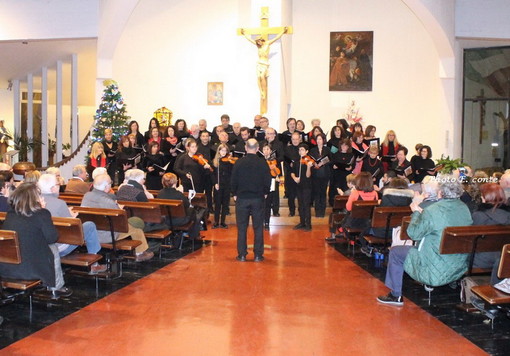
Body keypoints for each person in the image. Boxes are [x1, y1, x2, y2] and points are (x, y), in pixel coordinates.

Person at [377, 177, 472, 306]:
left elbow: (413, 234)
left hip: (434, 264)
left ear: (440, 193)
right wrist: (423, 213)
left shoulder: (433, 210)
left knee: (395, 252)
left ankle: (395, 295)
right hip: (458, 263)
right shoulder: (464, 208)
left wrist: (416, 212)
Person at [0, 183, 72, 299]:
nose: (42, 198)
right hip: (31, 270)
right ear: (34, 199)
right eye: (40, 196)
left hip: (7, 269)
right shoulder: (42, 214)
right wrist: (43, 211)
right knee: (52, 247)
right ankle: (56, 288)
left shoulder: (11, 214)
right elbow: (52, 238)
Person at [37, 174, 107, 274]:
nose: (59, 187)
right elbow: (70, 227)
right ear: (52, 188)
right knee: (90, 225)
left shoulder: (34, 201)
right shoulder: (59, 203)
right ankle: (94, 265)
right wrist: (73, 216)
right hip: (59, 246)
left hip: (40, 245)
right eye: (58, 184)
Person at [81, 174, 154, 262]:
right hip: (107, 235)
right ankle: (140, 253)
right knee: (135, 227)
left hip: (90, 233)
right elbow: (120, 223)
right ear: (106, 186)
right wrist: (120, 208)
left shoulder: (86, 196)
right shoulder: (108, 202)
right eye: (110, 183)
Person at [231, 138, 271, 262]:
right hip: (258, 199)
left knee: (242, 228)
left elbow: (233, 180)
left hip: (242, 199)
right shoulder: (262, 162)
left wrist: (234, 193)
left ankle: (242, 255)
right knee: (258, 228)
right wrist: (265, 192)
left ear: (246, 148)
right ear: (258, 149)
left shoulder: (239, 162)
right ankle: (258, 255)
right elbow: (267, 180)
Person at [240, 27, 288, 102]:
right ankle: (261, 92)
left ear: (261, 40)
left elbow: (276, 38)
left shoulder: (267, 44)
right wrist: (244, 33)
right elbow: (250, 40)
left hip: (265, 63)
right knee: (258, 77)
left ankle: (264, 92)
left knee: (262, 76)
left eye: (258, 41)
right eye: (257, 41)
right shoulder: (258, 46)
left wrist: (282, 31)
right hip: (259, 63)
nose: (258, 42)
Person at [158, 173, 202, 241]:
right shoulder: (179, 194)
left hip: (165, 220)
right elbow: (187, 205)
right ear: (175, 182)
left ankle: (194, 234)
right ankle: (194, 235)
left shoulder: (160, 193)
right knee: (192, 211)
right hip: (178, 221)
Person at [291, 143, 314, 231]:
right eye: (299, 150)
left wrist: (308, 167)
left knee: (306, 205)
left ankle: (308, 224)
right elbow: (292, 172)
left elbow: (308, 176)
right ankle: (302, 222)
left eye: (303, 150)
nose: (301, 151)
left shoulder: (308, 161)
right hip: (298, 185)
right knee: (300, 205)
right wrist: (295, 178)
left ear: (307, 151)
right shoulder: (297, 161)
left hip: (307, 185)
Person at [211, 143, 234, 229]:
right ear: (219, 151)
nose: (224, 152)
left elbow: (232, 173)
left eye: (225, 150)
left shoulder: (229, 161)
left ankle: (223, 222)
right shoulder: (215, 161)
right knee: (217, 204)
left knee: (225, 204)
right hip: (218, 185)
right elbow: (212, 174)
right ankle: (216, 222)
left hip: (227, 185)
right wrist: (215, 183)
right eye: (222, 150)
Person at [310, 133, 330, 217]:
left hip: (325, 173)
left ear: (323, 140)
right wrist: (314, 163)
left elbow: (331, 159)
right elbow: (310, 159)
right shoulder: (313, 150)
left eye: (320, 139)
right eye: (317, 139)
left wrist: (322, 162)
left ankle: (322, 211)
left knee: (323, 193)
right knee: (317, 193)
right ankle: (317, 212)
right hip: (315, 174)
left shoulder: (327, 149)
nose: (319, 141)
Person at [329, 138, 354, 206]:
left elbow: (352, 165)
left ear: (348, 147)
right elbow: (332, 163)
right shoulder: (335, 154)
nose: (343, 147)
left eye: (345, 145)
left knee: (345, 192)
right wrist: (333, 166)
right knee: (336, 192)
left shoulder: (351, 155)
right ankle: (335, 207)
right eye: (342, 145)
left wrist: (351, 167)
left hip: (346, 177)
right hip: (337, 176)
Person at [284, 132, 301, 216]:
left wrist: (295, 163)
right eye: (293, 139)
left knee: (301, 195)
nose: (295, 141)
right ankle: (292, 211)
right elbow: (286, 160)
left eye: (296, 139)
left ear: (299, 139)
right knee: (291, 195)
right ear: (291, 140)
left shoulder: (302, 148)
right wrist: (290, 163)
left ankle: (301, 211)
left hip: (300, 174)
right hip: (290, 174)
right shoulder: (287, 148)